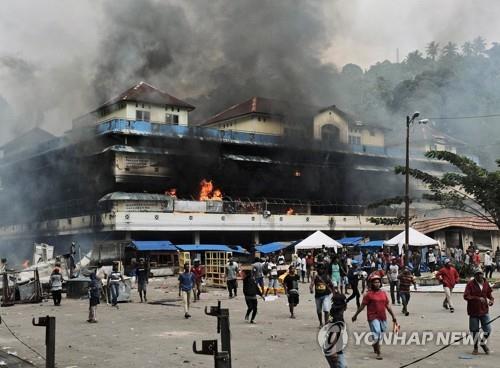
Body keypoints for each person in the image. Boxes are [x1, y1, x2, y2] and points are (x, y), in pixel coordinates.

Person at [352, 274, 397, 360]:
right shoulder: (368, 295)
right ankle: (379, 353)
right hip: (372, 317)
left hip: (382, 316)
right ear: (371, 284)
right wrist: (355, 315)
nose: (377, 284)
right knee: (377, 333)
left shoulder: (383, 293)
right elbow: (362, 306)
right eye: (375, 282)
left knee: (382, 331)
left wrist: (393, 316)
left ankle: (374, 344)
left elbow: (387, 306)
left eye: (378, 282)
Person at [463, 268, 495, 355]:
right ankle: (475, 347)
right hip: (473, 311)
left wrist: (491, 300)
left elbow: (489, 295)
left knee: (488, 329)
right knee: (474, 330)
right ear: (475, 276)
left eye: (480, 274)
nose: (479, 276)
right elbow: (466, 296)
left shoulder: (486, 283)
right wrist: (477, 299)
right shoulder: (470, 284)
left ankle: (482, 343)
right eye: (477, 274)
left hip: (484, 310)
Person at [310, 262, 334, 327]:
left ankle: (326, 323)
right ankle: (320, 323)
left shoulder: (327, 276)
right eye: (320, 269)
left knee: (326, 309)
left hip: (326, 295)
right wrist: (311, 289)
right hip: (317, 296)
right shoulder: (315, 276)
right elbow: (312, 283)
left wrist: (334, 293)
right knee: (319, 310)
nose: (321, 270)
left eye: (322, 269)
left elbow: (332, 285)